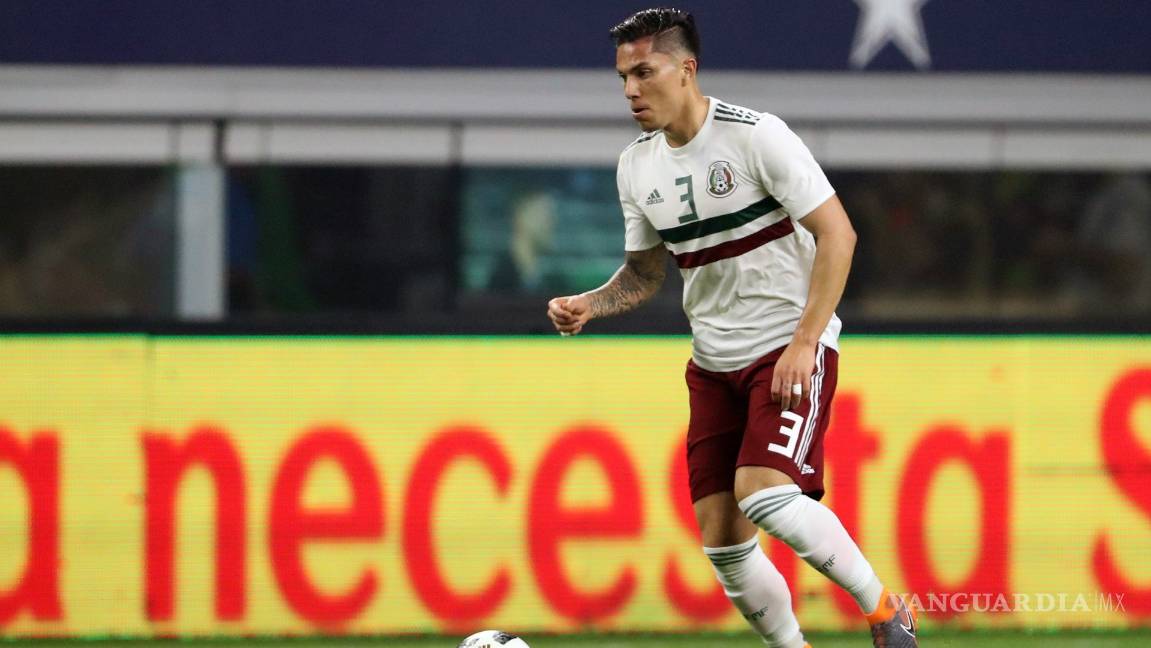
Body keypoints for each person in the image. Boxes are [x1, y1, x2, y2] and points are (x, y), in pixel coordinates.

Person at [546, 8, 918, 647]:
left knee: (765, 495)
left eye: (644, 72)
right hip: (713, 364)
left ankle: (887, 613)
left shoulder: (756, 137)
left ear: (686, 70)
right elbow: (643, 274)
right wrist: (591, 304)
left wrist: (806, 343)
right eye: (623, 77)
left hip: (787, 346)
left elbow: (839, 235)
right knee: (723, 544)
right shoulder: (635, 166)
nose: (631, 90)